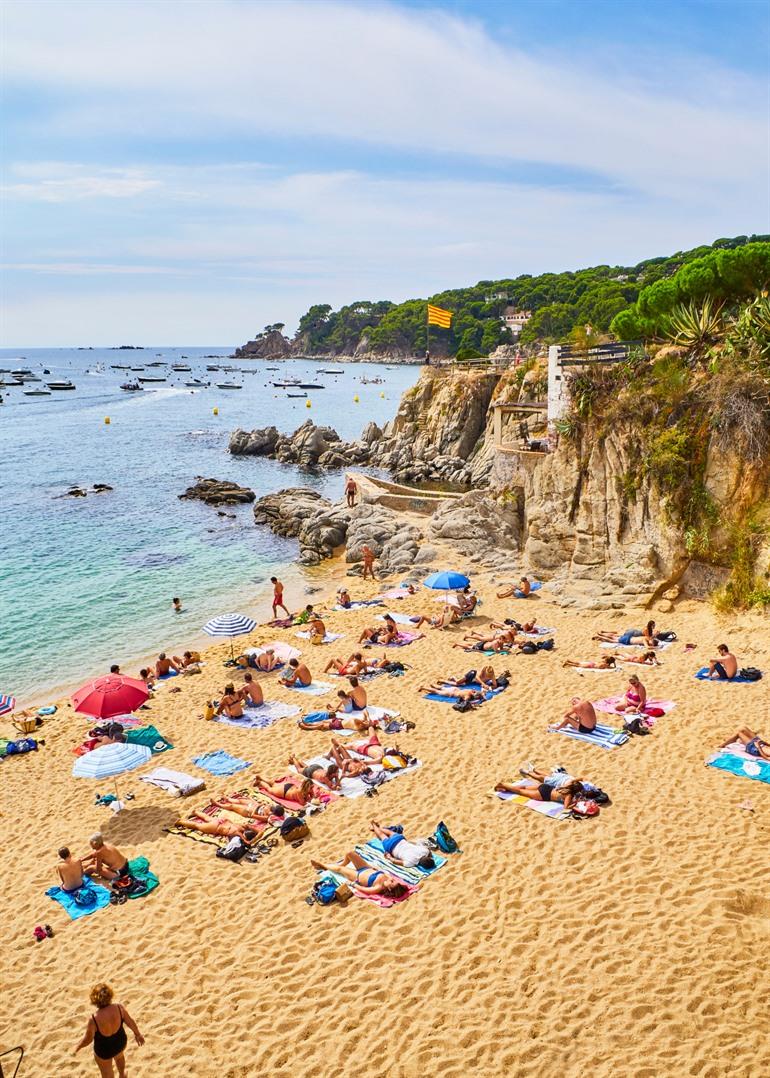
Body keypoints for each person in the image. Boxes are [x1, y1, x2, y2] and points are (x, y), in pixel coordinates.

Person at [74, 982, 144, 1077]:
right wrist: (138, 1034)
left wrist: (78, 1046)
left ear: (94, 1000)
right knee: (119, 1057)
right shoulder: (119, 1008)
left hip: (104, 1051)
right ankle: (122, 1074)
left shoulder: (94, 1019)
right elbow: (130, 1022)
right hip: (120, 1043)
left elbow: (88, 1039)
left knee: (107, 1072)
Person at [310, 852, 411, 899]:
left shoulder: (378, 887)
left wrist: (353, 884)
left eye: (392, 882)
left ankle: (323, 865)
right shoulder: (388, 879)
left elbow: (365, 890)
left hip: (357, 876)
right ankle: (336, 865)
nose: (392, 879)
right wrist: (376, 869)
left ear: (389, 888)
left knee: (340, 870)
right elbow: (386, 874)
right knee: (350, 853)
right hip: (366, 868)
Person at [370, 821, 436, 869]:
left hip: (399, 839)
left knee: (390, 832)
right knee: (382, 836)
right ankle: (374, 826)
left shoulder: (425, 851)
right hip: (391, 847)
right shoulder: (410, 863)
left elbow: (429, 851)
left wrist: (430, 855)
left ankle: (375, 827)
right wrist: (389, 857)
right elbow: (394, 861)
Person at [495, 776, 586, 809]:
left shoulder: (567, 785)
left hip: (546, 787)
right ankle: (503, 784)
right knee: (520, 791)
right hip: (544, 795)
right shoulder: (569, 795)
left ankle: (506, 787)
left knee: (524, 787)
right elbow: (566, 807)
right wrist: (575, 803)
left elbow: (578, 778)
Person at [175, 811, 262, 840]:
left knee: (207, 818)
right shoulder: (238, 833)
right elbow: (247, 842)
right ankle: (180, 822)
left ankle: (196, 812)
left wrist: (257, 834)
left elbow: (260, 831)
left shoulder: (243, 826)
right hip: (216, 828)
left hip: (222, 821)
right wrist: (254, 840)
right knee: (197, 826)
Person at [592, 620, 658, 648]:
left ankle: (603, 632)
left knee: (616, 634)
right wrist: (654, 636)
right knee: (614, 636)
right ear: (651, 625)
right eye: (654, 625)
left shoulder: (648, 629)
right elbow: (648, 637)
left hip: (632, 634)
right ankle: (602, 634)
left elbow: (649, 637)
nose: (654, 626)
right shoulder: (646, 630)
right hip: (632, 634)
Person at [297, 710, 374, 733]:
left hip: (339, 725)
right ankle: (309, 723)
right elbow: (365, 711)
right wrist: (368, 718)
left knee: (322, 726)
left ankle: (308, 727)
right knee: (323, 721)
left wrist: (366, 723)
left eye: (369, 723)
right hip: (339, 720)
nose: (368, 722)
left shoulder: (360, 726)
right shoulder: (363, 721)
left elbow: (356, 720)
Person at [419, 681, 485, 704]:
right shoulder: (467, 696)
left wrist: (482, 696)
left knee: (442, 688)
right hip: (452, 693)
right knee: (437, 691)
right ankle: (423, 687)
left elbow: (481, 693)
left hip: (455, 689)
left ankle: (433, 685)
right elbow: (465, 702)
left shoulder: (472, 690)